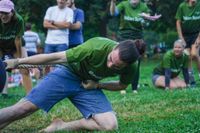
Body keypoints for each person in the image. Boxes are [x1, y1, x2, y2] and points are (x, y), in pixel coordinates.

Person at [0, 37, 140, 132]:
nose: (109, 65)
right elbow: (56, 57)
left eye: (116, 66)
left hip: (88, 85)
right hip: (68, 74)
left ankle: (61, 126)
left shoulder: (132, 66)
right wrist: (18, 62)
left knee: (110, 125)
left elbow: (122, 85)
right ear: (115, 47)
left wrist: (97, 85)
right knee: (24, 109)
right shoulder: (94, 47)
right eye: (110, 59)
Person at [110, 0, 160, 94]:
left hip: (137, 37)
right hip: (124, 36)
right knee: (122, 59)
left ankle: (134, 88)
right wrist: (112, 3)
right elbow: (114, 13)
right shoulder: (124, 4)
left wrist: (147, 18)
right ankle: (122, 86)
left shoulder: (143, 6)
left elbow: (147, 21)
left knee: (136, 62)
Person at [0, 0, 32, 96]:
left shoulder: (18, 20)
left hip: (16, 46)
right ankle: (4, 93)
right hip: (2, 46)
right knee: (1, 68)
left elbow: (18, 40)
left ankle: (30, 96)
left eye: (6, 13)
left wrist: (20, 58)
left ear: (12, 12)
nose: (3, 16)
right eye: (0, 12)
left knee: (24, 67)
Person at [175, 0, 200, 85]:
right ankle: (191, 80)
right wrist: (181, 38)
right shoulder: (182, 6)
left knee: (194, 54)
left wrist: (199, 38)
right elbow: (178, 22)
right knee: (187, 56)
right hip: (185, 36)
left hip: (196, 34)